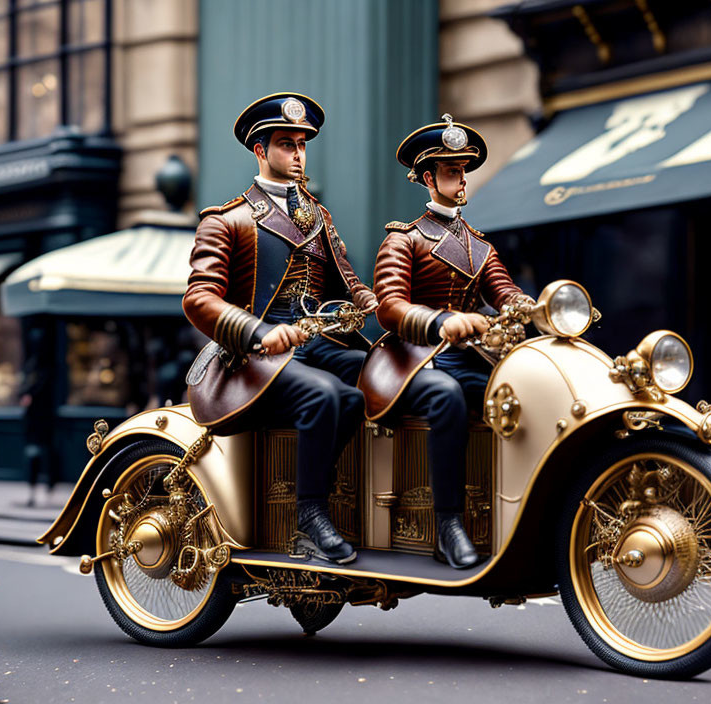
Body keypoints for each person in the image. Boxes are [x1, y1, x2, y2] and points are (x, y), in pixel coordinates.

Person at [183, 92, 377, 563]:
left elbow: (347, 278)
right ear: (260, 151)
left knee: (377, 376)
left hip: (315, 342)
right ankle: (308, 511)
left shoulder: (318, 216)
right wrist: (258, 332)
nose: (297, 154)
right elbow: (199, 299)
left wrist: (376, 300)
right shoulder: (227, 220)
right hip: (253, 358)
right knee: (328, 396)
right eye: (287, 145)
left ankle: (374, 503)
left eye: (302, 145)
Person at [359, 115, 535, 568]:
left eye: (463, 171)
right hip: (416, 361)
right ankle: (448, 525)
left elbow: (504, 290)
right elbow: (389, 308)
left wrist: (531, 307)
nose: (460, 181)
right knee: (448, 398)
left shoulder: (481, 245)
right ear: (427, 178)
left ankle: (519, 507)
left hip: (472, 356)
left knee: (523, 395)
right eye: (451, 172)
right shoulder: (405, 239)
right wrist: (440, 322)